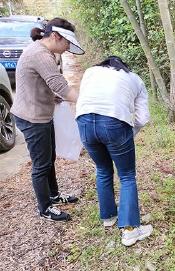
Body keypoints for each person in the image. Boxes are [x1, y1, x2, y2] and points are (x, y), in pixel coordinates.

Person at [11, 18, 84, 222]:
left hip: (41, 113)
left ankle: (53, 195)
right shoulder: (41, 54)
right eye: (67, 42)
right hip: (32, 117)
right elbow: (59, 85)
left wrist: (54, 97)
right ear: (55, 36)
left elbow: (42, 84)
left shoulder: (43, 51)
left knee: (49, 158)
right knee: (41, 164)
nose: (68, 47)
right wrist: (89, 102)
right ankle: (44, 208)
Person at [75, 56, 153, 247]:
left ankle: (109, 217)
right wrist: (126, 134)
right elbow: (143, 118)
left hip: (84, 123)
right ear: (124, 67)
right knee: (126, 176)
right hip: (115, 122)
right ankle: (130, 231)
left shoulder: (90, 72)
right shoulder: (134, 79)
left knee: (102, 169)